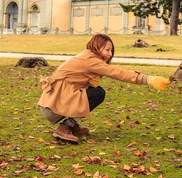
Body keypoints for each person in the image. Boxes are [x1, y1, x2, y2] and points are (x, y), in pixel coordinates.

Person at [38, 33, 170, 142]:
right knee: (98, 93)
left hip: (53, 102)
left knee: (94, 92)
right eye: (107, 50)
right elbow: (118, 73)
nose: (110, 54)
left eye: (111, 50)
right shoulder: (91, 60)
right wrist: (149, 79)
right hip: (54, 106)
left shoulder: (88, 55)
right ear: (96, 47)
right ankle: (64, 128)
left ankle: (72, 125)